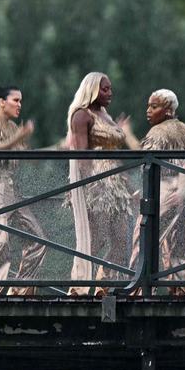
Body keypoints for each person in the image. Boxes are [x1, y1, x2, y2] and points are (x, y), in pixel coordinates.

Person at [66, 72, 137, 294]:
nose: (110, 93)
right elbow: (82, 155)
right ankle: (79, 287)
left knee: (122, 238)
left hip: (116, 183)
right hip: (96, 183)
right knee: (95, 239)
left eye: (110, 89)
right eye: (105, 89)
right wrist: (91, 186)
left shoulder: (105, 114)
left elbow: (113, 147)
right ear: (92, 89)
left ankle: (103, 284)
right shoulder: (81, 115)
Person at [0, 86, 46, 295]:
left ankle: (20, 290)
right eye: (16, 100)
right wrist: (20, 136)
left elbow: (28, 155)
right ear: (2, 102)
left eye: (21, 101)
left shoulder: (13, 127)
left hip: (11, 189)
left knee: (38, 239)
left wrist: (60, 147)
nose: (19, 105)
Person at [127, 89, 185, 293]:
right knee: (178, 242)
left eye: (154, 107)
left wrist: (127, 133)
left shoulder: (158, 131)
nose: (148, 111)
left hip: (163, 187)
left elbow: (144, 156)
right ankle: (183, 290)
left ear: (167, 110)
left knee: (143, 236)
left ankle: (138, 289)